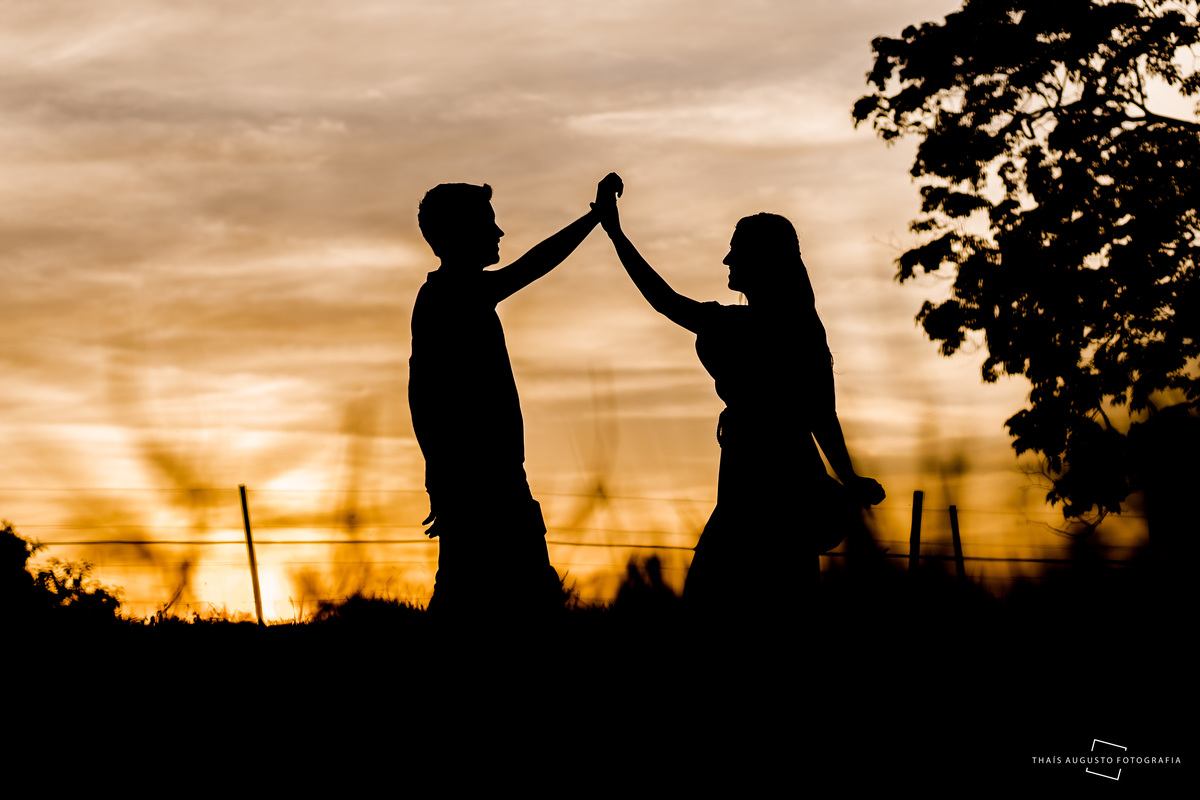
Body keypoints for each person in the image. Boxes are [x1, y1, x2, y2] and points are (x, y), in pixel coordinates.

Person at [592, 187, 885, 614]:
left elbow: (820, 414)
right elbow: (822, 415)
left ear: (763, 260)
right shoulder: (773, 325)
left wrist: (849, 476)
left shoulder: (772, 328)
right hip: (759, 472)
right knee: (765, 592)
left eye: (735, 251)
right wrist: (617, 236)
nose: (727, 261)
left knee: (732, 593)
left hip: (772, 475)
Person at [410, 174, 622, 617]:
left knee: (482, 597)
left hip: (487, 478)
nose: (499, 232)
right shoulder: (452, 295)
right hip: (483, 481)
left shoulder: (450, 296)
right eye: (488, 222)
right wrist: (595, 217)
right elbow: (424, 397)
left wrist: (439, 476)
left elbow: (421, 396)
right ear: (459, 233)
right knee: (512, 602)